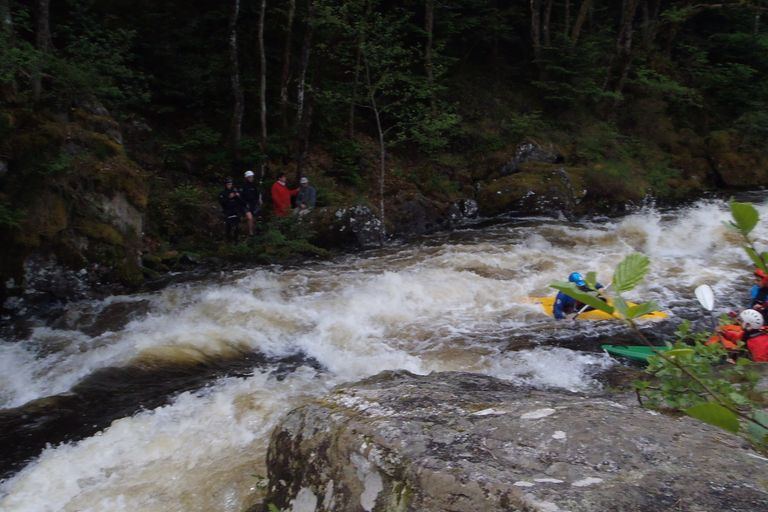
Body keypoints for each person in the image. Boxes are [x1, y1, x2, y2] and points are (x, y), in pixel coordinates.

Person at [218, 177, 244, 242]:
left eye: (230, 184)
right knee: (228, 227)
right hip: (227, 211)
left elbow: (241, 202)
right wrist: (229, 197)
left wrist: (238, 196)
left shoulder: (235, 192)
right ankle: (228, 240)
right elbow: (222, 202)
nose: (229, 185)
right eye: (228, 184)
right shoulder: (222, 193)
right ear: (225, 185)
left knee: (237, 227)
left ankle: (236, 241)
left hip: (235, 211)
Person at [241, 170, 262, 236]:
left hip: (254, 204)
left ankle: (257, 230)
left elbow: (257, 194)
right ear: (247, 177)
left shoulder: (254, 186)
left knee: (258, 216)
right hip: (246, 205)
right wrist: (245, 204)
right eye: (250, 177)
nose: (251, 178)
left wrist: (260, 199)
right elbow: (241, 197)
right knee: (250, 218)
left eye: (252, 177)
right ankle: (250, 232)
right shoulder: (243, 186)